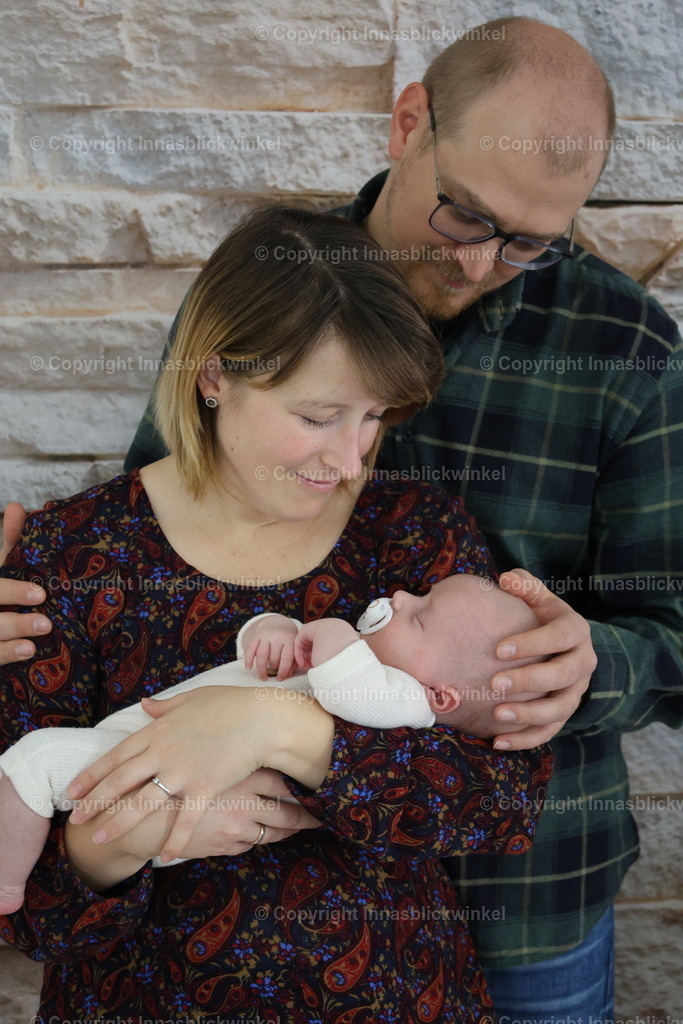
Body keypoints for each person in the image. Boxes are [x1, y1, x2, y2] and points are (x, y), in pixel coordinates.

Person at [2, 14, 680, 1021]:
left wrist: (589, 664)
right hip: (179, 946)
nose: (481, 262)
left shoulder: (615, 351)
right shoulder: (268, 284)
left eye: (530, 243)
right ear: (409, 123)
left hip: (517, 900)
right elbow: (161, 522)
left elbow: (659, 644)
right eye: (465, 217)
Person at [0, 205, 554, 1023]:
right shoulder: (70, 557)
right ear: (215, 375)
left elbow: (500, 803)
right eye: (318, 416)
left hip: (398, 998)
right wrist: (130, 834)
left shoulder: (412, 535)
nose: (351, 458)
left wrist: (275, 731)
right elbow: (39, 914)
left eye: (373, 418)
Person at [0, 574, 546, 913]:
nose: (400, 595)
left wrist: (327, 629)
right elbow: (261, 664)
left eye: (421, 615)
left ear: (443, 695)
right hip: (150, 773)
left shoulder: (408, 700)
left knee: (36, 759)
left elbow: (350, 687)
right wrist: (275, 631)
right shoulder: (364, 660)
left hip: (157, 773)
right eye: (418, 594)